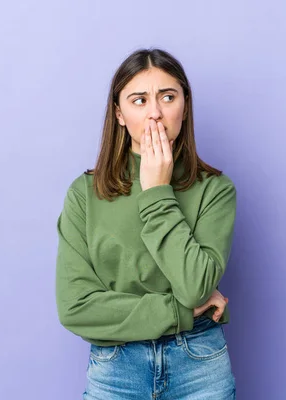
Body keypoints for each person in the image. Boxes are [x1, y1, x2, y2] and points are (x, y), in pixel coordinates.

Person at [55, 48, 237, 399]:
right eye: (139, 100)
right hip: (116, 369)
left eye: (168, 97)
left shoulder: (215, 190)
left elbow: (196, 288)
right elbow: (76, 307)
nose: (155, 113)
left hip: (199, 365)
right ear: (119, 114)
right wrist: (178, 310)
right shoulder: (84, 194)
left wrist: (156, 191)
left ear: (184, 106)